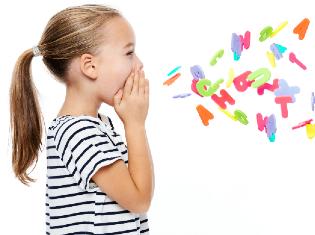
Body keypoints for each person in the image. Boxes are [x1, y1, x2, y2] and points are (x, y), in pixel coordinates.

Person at [9, 4, 154, 234]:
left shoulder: (96, 125)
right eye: (129, 53)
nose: (139, 64)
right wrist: (135, 124)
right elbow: (139, 200)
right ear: (90, 66)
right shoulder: (79, 133)